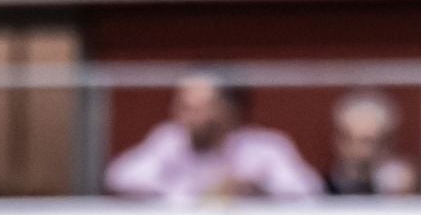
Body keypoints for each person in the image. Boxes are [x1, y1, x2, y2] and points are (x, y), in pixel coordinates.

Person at [106, 73, 322, 204]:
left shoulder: (264, 147)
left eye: (196, 109)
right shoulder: (169, 141)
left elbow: (308, 189)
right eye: (182, 108)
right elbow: (120, 177)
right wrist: (195, 191)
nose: (185, 117)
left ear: (226, 110)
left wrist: (255, 188)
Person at [324, 89, 416, 196]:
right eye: (348, 139)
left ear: (386, 144)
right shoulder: (317, 189)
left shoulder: (399, 186)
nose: (357, 151)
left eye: (367, 141)